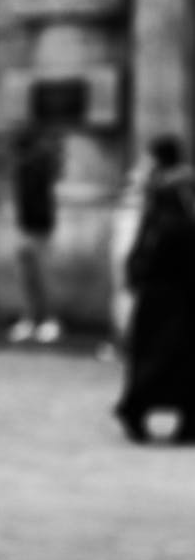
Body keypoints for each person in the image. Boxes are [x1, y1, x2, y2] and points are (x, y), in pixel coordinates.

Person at [114, 135, 195, 443]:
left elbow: (151, 237)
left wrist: (136, 271)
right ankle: (178, 417)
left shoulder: (164, 191)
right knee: (178, 357)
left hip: (166, 288)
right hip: (176, 289)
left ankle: (138, 411)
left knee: (158, 356)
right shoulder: (175, 189)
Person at [6, 124, 63, 345]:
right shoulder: (29, 166)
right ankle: (33, 319)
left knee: (39, 277)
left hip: (35, 228)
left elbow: (38, 200)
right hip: (31, 227)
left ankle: (45, 320)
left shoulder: (34, 165)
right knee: (31, 277)